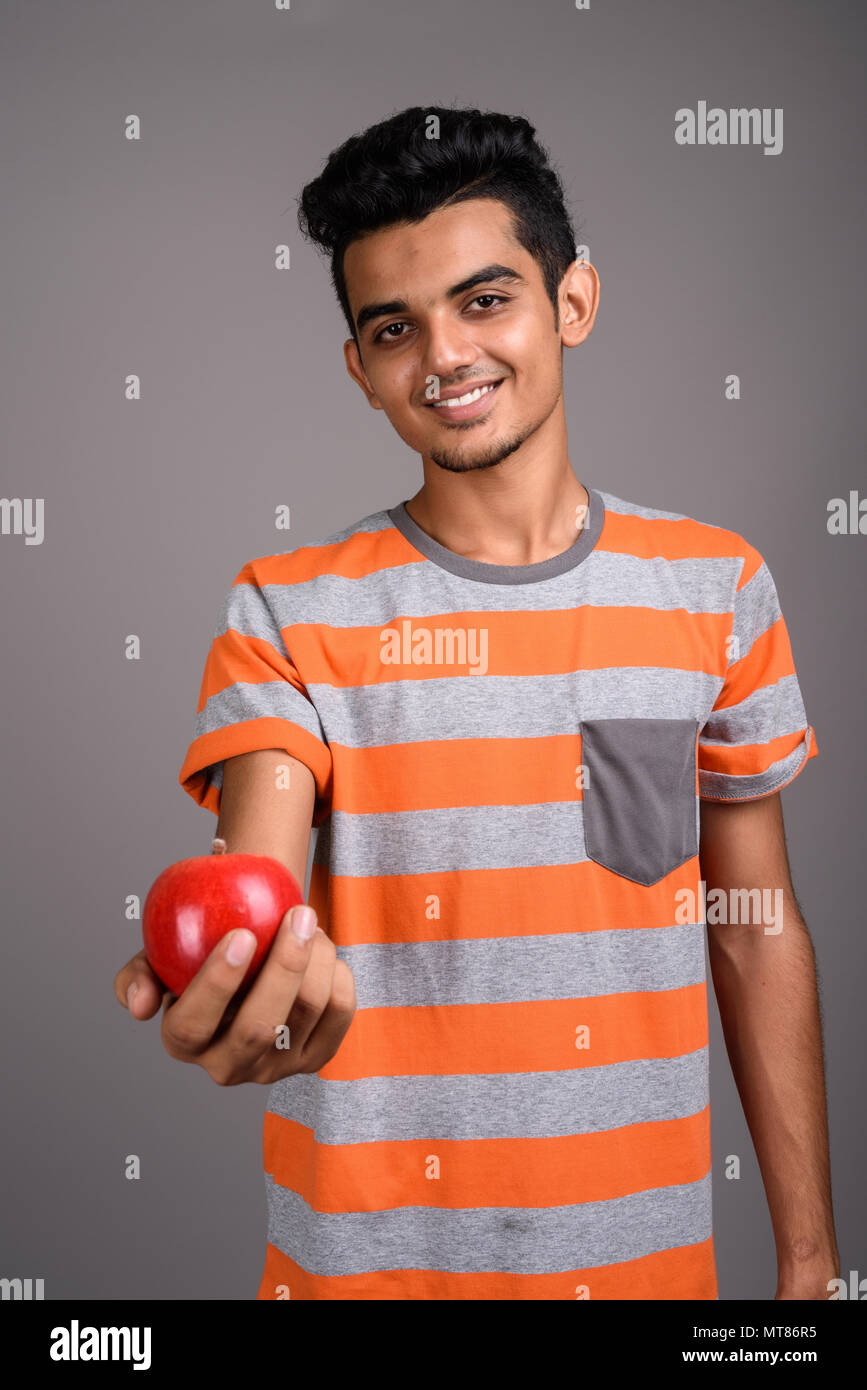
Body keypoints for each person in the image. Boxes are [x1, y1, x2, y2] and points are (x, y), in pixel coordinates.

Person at [114, 106, 839, 1301]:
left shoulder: (718, 587)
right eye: (395, 327)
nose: (443, 355)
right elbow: (262, 885)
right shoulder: (288, 613)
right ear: (360, 367)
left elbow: (755, 926)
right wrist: (263, 991)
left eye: (485, 300)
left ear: (573, 303)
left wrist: (811, 1262)